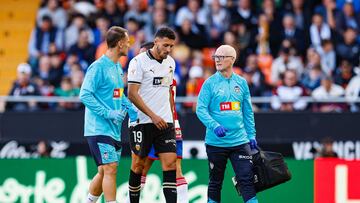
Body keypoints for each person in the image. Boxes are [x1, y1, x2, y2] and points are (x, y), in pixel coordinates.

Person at [79, 26, 137, 203]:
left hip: (113, 129)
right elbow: (84, 94)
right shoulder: (97, 67)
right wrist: (108, 113)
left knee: (104, 171)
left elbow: (118, 94)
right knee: (110, 168)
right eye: (127, 42)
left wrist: (131, 108)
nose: (129, 45)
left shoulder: (117, 68)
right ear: (119, 44)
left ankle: (89, 201)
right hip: (98, 128)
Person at [125, 42, 188, 203]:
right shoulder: (166, 74)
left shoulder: (160, 72)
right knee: (144, 168)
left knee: (144, 168)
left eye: (142, 55)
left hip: (160, 122)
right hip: (165, 122)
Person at [196, 45, 259, 203]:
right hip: (216, 143)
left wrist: (251, 135)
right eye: (216, 57)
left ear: (232, 59)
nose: (217, 60)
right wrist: (214, 126)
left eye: (221, 57)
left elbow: (247, 112)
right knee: (215, 182)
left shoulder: (242, 83)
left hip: (239, 141)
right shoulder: (209, 83)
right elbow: (200, 109)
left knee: (247, 179)